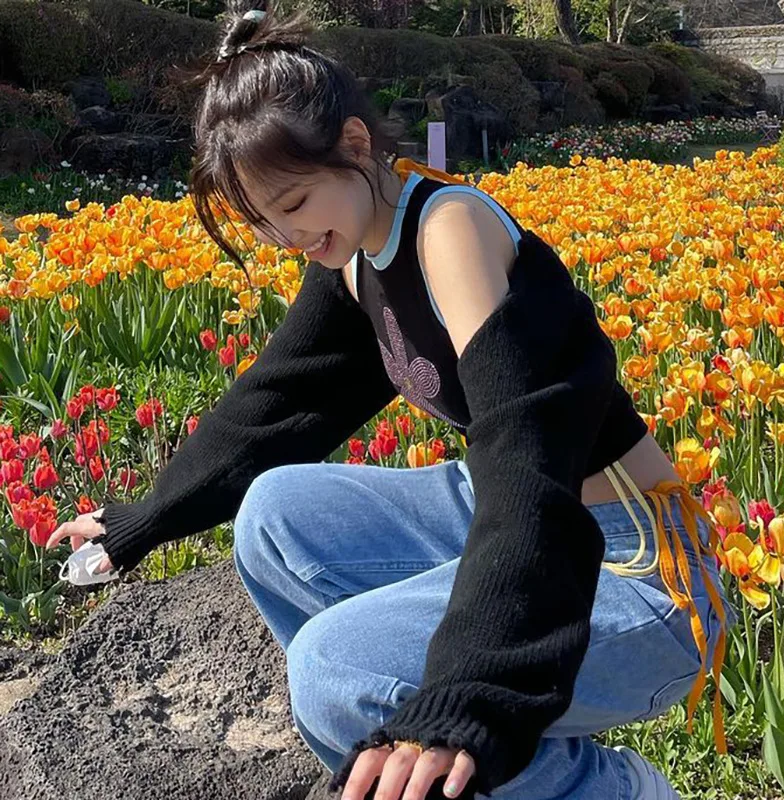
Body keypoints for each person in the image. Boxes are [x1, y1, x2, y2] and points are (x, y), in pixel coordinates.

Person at [45, 3, 740, 799]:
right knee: (274, 515)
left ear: (354, 144)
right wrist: (143, 520)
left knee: (333, 669)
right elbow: (275, 404)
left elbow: (527, 459)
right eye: (263, 222)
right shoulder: (354, 251)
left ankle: (599, 787)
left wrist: (470, 691)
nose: (286, 239)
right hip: (506, 510)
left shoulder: (449, 231)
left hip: (642, 568)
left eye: (294, 205)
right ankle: (435, 767)